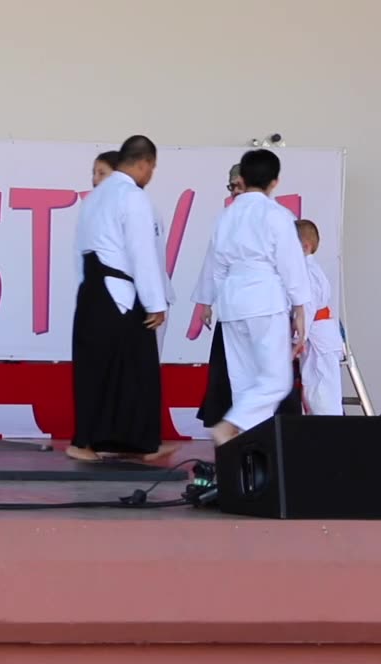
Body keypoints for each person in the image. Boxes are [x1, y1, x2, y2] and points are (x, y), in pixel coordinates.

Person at [68, 135, 175, 462]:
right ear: (143, 163)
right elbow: (142, 254)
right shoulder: (133, 197)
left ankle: (95, 441)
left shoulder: (94, 197)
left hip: (92, 291)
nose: (150, 174)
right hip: (122, 295)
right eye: (152, 168)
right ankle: (136, 443)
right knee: (138, 371)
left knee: (95, 369)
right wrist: (155, 303)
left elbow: (78, 250)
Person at [197, 149, 310, 446]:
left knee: (244, 383)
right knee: (276, 379)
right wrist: (300, 305)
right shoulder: (277, 215)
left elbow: (217, 266)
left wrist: (216, 299)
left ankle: (247, 449)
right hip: (264, 299)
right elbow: (290, 263)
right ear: (275, 182)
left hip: (232, 302)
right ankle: (230, 426)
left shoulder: (226, 216)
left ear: (243, 179)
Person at [296, 219, 344, 415]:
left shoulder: (305, 272)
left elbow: (306, 308)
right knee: (315, 389)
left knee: (321, 392)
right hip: (318, 336)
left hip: (316, 338)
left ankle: (329, 437)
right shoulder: (308, 270)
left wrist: (298, 340)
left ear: (305, 246)